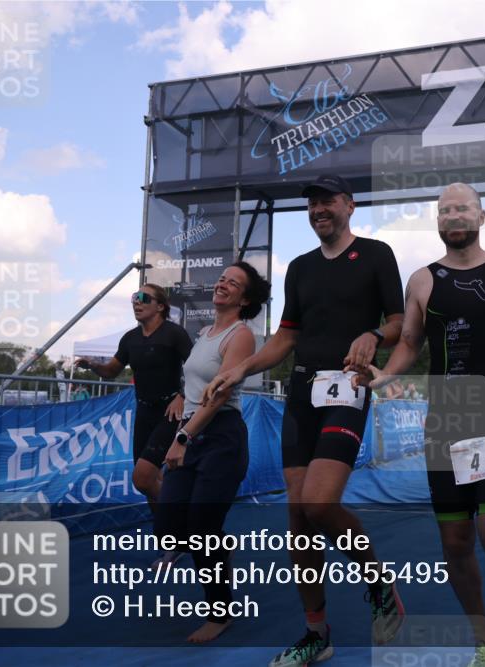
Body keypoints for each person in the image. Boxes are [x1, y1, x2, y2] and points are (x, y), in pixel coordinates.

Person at [349, 182, 485, 667]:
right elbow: (410, 343)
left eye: (463, 207)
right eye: (445, 210)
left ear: (481, 217)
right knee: (456, 542)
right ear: (438, 222)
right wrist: (385, 377)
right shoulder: (422, 280)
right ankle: (484, 638)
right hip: (447, 422)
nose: (454, 215)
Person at [202, 174, 405, 665]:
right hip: (301, 393)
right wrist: (241, 369)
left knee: (318, 504)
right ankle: (317, 633)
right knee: (298, 518)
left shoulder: (376, 254)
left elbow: (400, 323)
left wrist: (374, 335)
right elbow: (285, 337)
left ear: (349, 205)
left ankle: (378, 583)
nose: (319, 208)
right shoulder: (300, 267)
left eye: (327, 200)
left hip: (348, 387)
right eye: (312, 202)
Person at [154, 261, 270, 643]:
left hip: (220, 437)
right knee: (171, 529)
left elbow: (219, 395)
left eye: (233, 283)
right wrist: (182, 420)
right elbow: (192, 384)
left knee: (202, 531)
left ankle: (219, 613)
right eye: (222, 279)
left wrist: (182, 437)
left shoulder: (241, 335)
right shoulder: (204, 332)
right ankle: (222, 546)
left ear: (245, 298)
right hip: (191, 428)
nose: (222, 284)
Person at [76, 284, 192, 503]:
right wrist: (92, 365)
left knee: (142, 479)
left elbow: (197, 367)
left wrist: (182, 396)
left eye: (143, 297)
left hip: (169, 413)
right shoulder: (130, 338)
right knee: (152, 479)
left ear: (160, 306)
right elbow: (111, 371)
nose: (136, 302)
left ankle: (178, 519)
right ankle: (165, 532)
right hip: (144, 413)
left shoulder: (174, 333)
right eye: (134, 298)